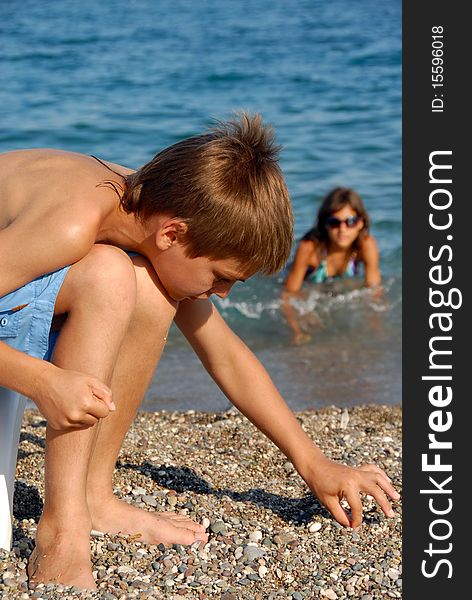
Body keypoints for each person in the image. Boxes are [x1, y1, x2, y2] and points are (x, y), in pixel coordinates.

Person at [0, 115, 398, 590]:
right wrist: (43, 382)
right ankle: (62, 530)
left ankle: (93, 495)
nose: (223, 293)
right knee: (108, 274)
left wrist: (312, 463)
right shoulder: (72, 223)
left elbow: (225, 353)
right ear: (173, 234)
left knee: (147, 289)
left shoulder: (152, 213)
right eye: (222, 277)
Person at [282, 187, 381, 343]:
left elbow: (374, 290)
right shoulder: (310, 248)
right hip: (305, 279)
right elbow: (289, 294)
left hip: (335, 284)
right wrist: (297, 328)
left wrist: (375, 326)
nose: (342, 229)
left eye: (351, 222)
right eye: (335, 222)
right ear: (325, 224)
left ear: (361, 223)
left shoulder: (366, 245)